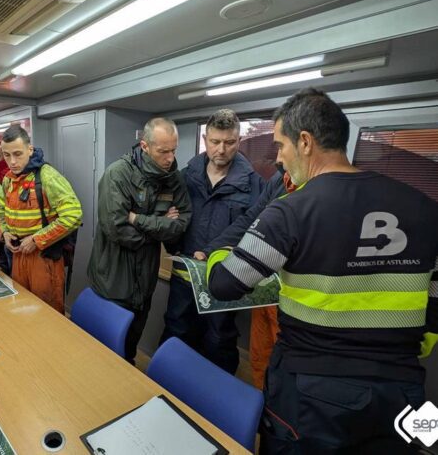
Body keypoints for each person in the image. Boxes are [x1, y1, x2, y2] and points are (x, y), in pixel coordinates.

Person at [207, 88, 438, 453]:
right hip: (402, 389)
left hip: (311, 392)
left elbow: (224, 285)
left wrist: (219, 253)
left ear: (305, 141)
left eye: (281, 146)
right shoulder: (424, 208)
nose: (279, 159)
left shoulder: (290, 210)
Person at [161, 109, 264, 374]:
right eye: (215, 142)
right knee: (177, 331)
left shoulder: (254, 186)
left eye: (229, 142)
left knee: (219, 340)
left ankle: (213, 406)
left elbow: (255, 233)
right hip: (185, 276)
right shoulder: (186, 176)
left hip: (224, 280)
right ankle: (170, 388)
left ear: (238, 141)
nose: (221, 149)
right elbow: (174, 221)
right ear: (206, 139)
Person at [88, 118, 192, 364]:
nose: (169, 158)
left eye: (173, 150)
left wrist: (139, 219)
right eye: (162, 151)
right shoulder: (118, 174)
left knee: (130, 349)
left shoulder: (173, 177)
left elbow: (182, 222)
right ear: (144, 146)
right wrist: (160, 223)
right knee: (105, 352)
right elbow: (117, 229)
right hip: (112, 280)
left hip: (145, 281)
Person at [204, 166, 296, 389]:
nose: (277, 158)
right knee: (259, 356)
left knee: (285, 370)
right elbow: (253, 218)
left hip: (293, 302)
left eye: (282, 146)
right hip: (265, 290)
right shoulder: (278, 179)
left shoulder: (315, 190)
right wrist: (212, 249)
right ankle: (259, 411)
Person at [0, 125, 82, 313]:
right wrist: (6, 232)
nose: (12, 161)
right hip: (18, 254)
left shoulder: (47, 176)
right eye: (6, 155)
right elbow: (1, 209)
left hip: (43, 257)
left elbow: (73, 215)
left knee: (47, 311)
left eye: (18, 154)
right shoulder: (8, 179)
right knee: (21, 307)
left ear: (30, 149)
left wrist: (36, 240)